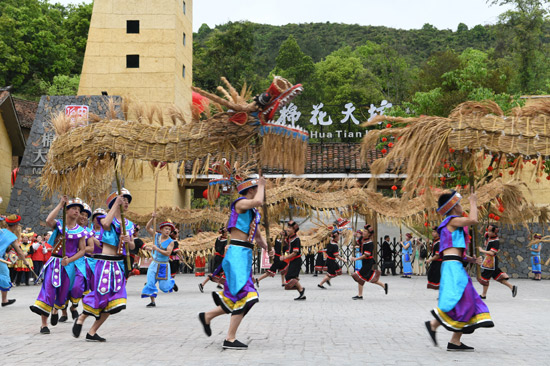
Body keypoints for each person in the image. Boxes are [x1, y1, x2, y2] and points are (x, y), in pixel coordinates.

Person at [198, 177, 269, 350]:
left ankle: (207, 316)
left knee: (234, 297)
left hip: (244, 255)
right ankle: (230, 338)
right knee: (247, 296)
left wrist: (268, 248)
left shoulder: (252, 213)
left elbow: (257, 237)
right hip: (236, 253)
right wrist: (261, 185)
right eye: (257, 189)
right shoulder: (240, 203)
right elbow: (259, 200)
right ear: (250, 190)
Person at [425, 190, 494, 352]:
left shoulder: (452, 223)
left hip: (455, 264)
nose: (462, 206)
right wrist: (473, 201)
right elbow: (473, 219)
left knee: (466, 300)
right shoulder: (452, 220)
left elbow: (452, 249)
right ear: (454, 207)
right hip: (452, 267)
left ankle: (454, 340)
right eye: (460, 204)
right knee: (458, 297)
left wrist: (470, 259)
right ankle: (434, 324)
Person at [73, 189, 135, 342]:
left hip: (119, 265)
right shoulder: (107, 219)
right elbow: (106, 224)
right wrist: (115, 206)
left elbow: (133, 246)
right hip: (105, 263)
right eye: (123, 199)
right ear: (115, 202)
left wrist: (129, 241)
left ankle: (92, 332)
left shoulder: (130, 224)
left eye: (128, 200)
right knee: (101, 296)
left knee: (115, 303)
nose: (126, 202)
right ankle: (81, 318)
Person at [29, 197, 86, 334]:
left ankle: (57, 309)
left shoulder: (81, 231)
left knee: (62, 294)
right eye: (73, 208)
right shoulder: (60, 225)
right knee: (49, 289)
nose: (77, 211)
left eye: (78, 209)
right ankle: (44, 324)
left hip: (68, 265)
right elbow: (48, 220)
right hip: (54, 263)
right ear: (66, 210)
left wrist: (70, 260)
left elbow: (83, 250)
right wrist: (60, 203)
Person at [141, 218, 178, 307]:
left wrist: (157, 249)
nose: (167, 231)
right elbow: (147, 227)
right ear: (161, 229)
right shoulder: (157, 236)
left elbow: (168, 253)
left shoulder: (171, 242)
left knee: (163, 287)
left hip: (163, 266)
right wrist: (152, 218)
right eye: (166, 229)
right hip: (154, 264)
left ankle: (171, 283)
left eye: (169, 229)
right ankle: (152, 302)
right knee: (150, 282)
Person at [477, 224, 517, 299]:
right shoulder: (489, 236)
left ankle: (483, 295)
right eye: (487, 230)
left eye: (489, 231)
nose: (487, 232)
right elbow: (481, 232)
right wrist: (484, 224)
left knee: (485, 278)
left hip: (491, 262)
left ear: (494, 232)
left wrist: (482, 250)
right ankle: (512, 287)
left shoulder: (495, 242)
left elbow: (492, 253)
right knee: (497, 277)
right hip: (489, 261)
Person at [0, 215, 31, 306]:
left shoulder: (2, 231)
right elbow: (19, 251)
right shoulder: (12, 236)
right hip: (0, 260)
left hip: (1, 259)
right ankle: (4, 300)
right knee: (5, 277)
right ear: (16, 225)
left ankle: (4, 300)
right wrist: (25, 261)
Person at [351, 225, 388, 299]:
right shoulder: (363, 239)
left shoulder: (369, 243)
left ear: (369, 234)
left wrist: (356, 259)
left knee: (359, 277)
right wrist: (353, 230)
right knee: (368, 277)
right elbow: (357, 235)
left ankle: (360, 295)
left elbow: (365, 255)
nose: (363, 232)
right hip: (365, 262)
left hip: (368, 262)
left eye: (365, 231)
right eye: (363, 231)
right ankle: (384, 285)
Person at [281, 220, 306, 300]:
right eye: (288, 227)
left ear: (294, 230)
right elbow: (284, 244)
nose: (288, 229)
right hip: (292, 260)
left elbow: (295, 253)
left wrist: (285, 257)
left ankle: (301, 289)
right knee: (289, 276)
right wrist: (283, 237)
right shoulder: (289, 238)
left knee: (289, 276)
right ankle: (301, 292)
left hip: (296, 260)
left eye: (290, 228)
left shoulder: (296, 239)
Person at [200, 227, 228, 292]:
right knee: (214, 273)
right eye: (226, 232)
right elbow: (224, 250)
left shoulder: (217, 239)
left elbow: (215, 247)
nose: (227, 233)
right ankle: (202, 284)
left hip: (217, 257)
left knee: (222, 272)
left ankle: (220, 284)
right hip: (221, 258)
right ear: (224, 233)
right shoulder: (225, 241)